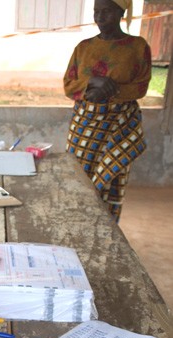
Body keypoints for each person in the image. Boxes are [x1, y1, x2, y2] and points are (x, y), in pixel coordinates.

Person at [64, 0, 151, 222]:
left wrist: (110, 90)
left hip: (118, 125)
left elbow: (141, 87)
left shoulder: (138, 47)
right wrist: (92, 82)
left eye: (107, 12)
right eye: (96, 12)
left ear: (121, 12)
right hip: (84, 126)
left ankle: (105, 231)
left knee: (110, 181)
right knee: (78, 179)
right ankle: (77, 226)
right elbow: (68, 85)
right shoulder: (83, 47)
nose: (100, 17)